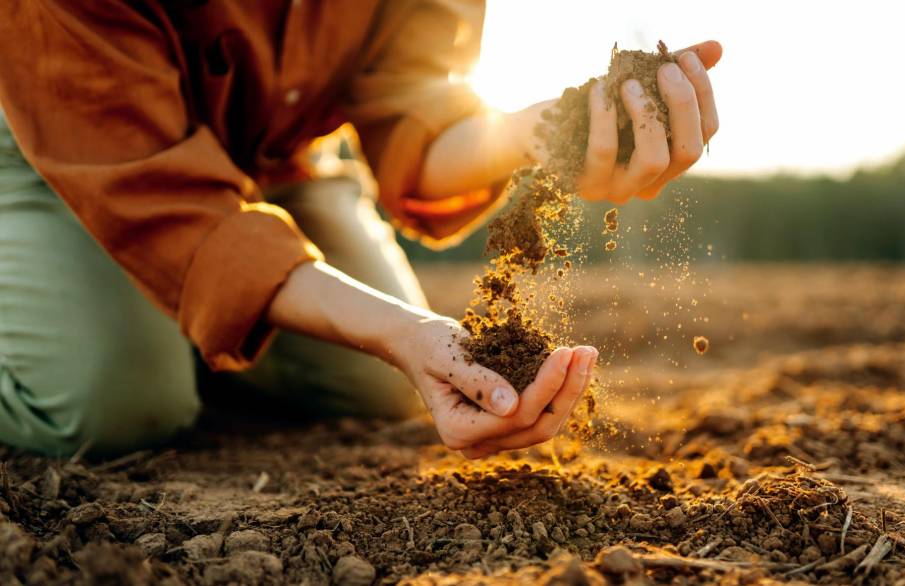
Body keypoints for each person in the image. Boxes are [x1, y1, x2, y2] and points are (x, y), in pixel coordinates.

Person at [0, 2, 720, 459]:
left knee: (377, 388)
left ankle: (182, 329)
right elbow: (166, 201)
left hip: (274, 160)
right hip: (77, 148)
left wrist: (547, 132)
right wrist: (400, 330)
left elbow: (413, 120)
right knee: (112, 411)